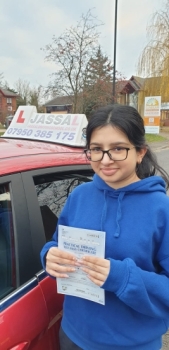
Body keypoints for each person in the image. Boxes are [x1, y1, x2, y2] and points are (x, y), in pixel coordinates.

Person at [40, 104, 169, 350]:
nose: (105, 160)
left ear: (140, 152)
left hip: (131, 345)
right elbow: (58, 243)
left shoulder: (161, 209)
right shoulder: (79, 196)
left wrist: (122, 278)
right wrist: (49, 255)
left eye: (118, 149)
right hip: (73, 335)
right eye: (96, 150)